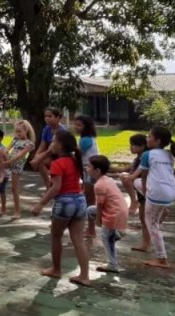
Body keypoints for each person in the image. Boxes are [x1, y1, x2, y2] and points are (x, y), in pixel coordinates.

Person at [31, 129, 90, 287]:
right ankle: (85, 275)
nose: (51, 144)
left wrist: (40, 204)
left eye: (54, 141)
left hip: (65, 202)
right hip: (80, 200)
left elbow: (55, 187)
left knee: (56, 237)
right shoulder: (74, 160)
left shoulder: (58, 164)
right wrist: (49, 151)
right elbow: (35, 163)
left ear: (61, 145)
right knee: (78, 239)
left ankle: (56, 269)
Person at [132, 126, 175, 268]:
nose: (147, 139)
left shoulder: (148, 155)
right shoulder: (169, 155)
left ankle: (161, 259)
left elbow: (144, 178)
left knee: (151, 224)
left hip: (157, 193)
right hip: (171, 192)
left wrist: (146, 194)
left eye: (149, 136)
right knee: (154, 220)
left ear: (157, 141)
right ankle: (160, 212)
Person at [86, 155, 128, 273]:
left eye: (89, 166)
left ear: (97, 170)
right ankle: (115, 234)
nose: (86, 168)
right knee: (89, 210)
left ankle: (112, 264)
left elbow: (100, 205)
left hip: (113, 214)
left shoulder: (99, 185)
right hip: (119, 210)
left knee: (105, 238)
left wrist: (99, 220)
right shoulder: (107, 179)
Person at [4, 120, 36, 219]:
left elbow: (20, 154)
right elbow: (6, 149)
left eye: (20, 131)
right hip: (9, 161)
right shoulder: (15, 140)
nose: (17, 133)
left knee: (14, 188)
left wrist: (9, 162)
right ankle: (0, 172)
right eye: (16, 131)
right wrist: (5, 156)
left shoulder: (29, 144)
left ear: (26, 131)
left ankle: (17, 212)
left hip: (17, 165)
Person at [30, 108, 67, 188]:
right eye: (45, 116)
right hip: (51, 155)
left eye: (50, 116)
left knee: (40, 161)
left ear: (58, 118)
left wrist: (38, 159)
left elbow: (52, 149)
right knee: (39, 161)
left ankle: (53, 184)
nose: (47, 118)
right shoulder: (47, 129)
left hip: (61, 156)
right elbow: (43, 145)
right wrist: (36, 156)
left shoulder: (62, 131)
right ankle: (48, 184)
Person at [75, 114, 99, 237]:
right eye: (75, 125)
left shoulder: (86, 140)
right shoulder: (88, 138)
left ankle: (91, 229)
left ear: (86, 127)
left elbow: (77, 154)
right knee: (88, 199)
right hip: (89, 171)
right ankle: (90, 228)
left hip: (90, 171)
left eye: (79, 125)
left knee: (89, 200)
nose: (76, 127)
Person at [119, 133, 148, 216]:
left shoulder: (143, 157)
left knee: (124, 177)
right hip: (139, 183)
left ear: (142, 146)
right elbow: (127, 168)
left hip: (142, 183)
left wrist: (130, 177)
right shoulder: (138, 158)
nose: (130, 147)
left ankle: (133, 200)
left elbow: (138, 171)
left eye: (133, 145)